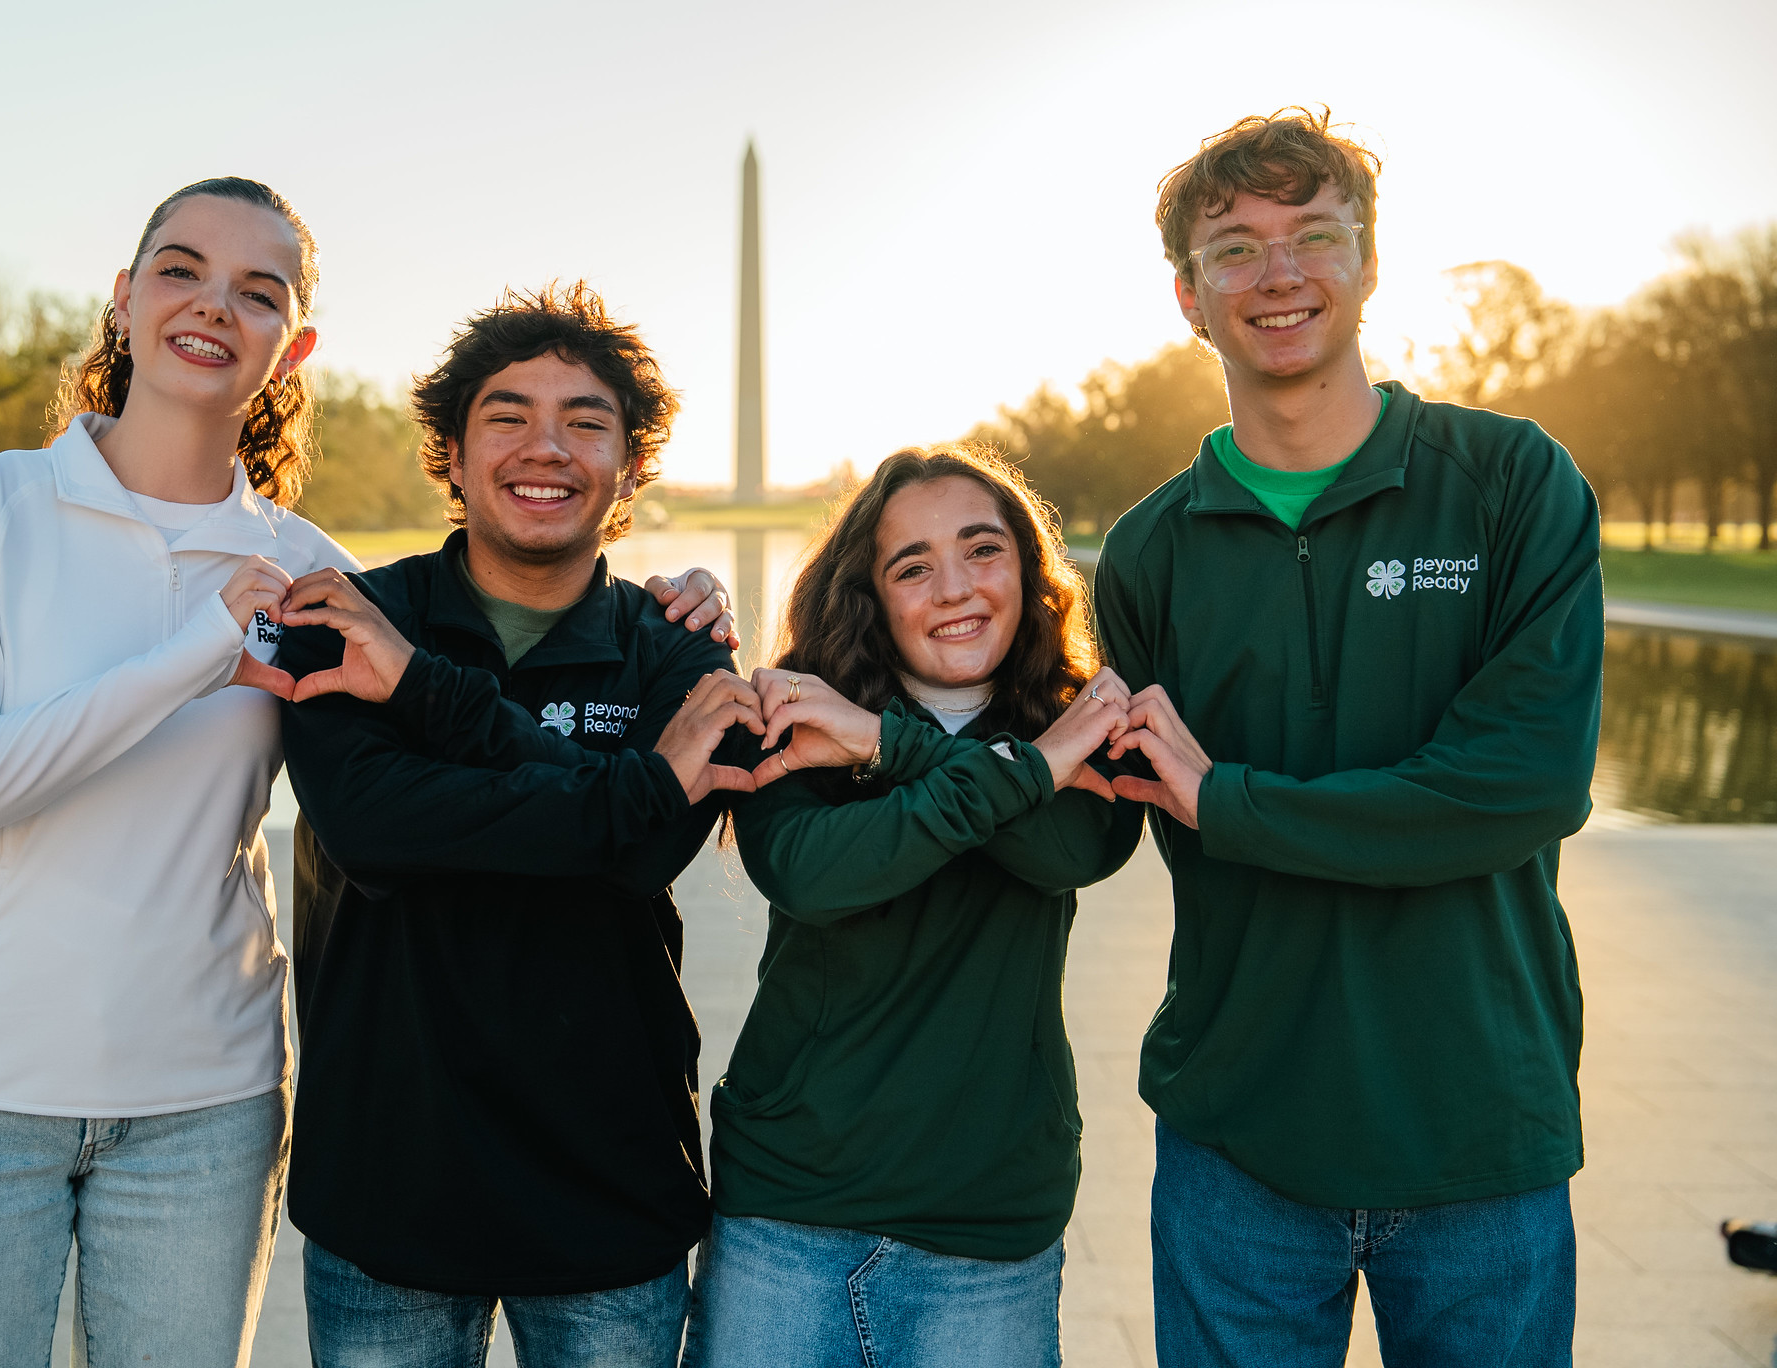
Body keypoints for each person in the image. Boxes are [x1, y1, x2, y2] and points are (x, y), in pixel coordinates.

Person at [0, 185, 735, 1366]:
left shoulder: (308, 574)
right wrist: (196, 650)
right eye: (180, 271)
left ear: (291, 344)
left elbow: (592, 801)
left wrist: (656, 627)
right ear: (123, 298)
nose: (213, 305)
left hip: (204, 1098)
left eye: (257, 292)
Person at [1093, 109, 1603, 1365]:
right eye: (1234, 250)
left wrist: (1234, 805)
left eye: (1313, 236)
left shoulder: (1510, 481)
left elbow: (1519, 785)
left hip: (1479, 1126)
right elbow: (1082, 794)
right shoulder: (1149, 553)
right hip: (1239, 1139)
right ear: (1186, 297)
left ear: (1368, 265)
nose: (1278, 275)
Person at [275, 283, 764, 1368]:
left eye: (585, 420)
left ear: (629, 467)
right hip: (387, 1190)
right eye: (506, 415)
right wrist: (619, 787)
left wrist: (422, 704)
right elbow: (375, 835)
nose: (544, 446)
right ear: (449, 452)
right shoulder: (353, 619)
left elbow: (635, 856)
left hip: (607, 1192)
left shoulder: (681, 652)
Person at [682, 443, 1146, 1368]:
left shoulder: (1084, 733)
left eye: (983, 550)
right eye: (912, 566)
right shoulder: (796, 715)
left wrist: (887, 747)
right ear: (871, 595)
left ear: (1026, 569)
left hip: (987, 1230)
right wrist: (1013, 769)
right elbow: (816, 875)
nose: (954, 588)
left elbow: (1058, 849)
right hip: (787, 1214)